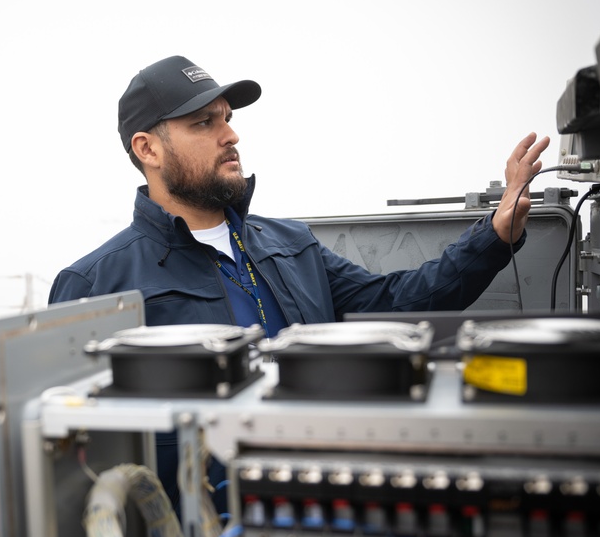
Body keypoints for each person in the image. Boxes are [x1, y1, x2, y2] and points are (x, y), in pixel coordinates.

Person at [47, 55, 550, 506]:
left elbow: (397, 301)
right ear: (148, 149)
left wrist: (495, 234)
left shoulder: (291, 243)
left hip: (318, 510)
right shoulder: (95, 284)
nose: (231, 136)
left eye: (227, 118)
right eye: (204, 122)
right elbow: (70, 467)